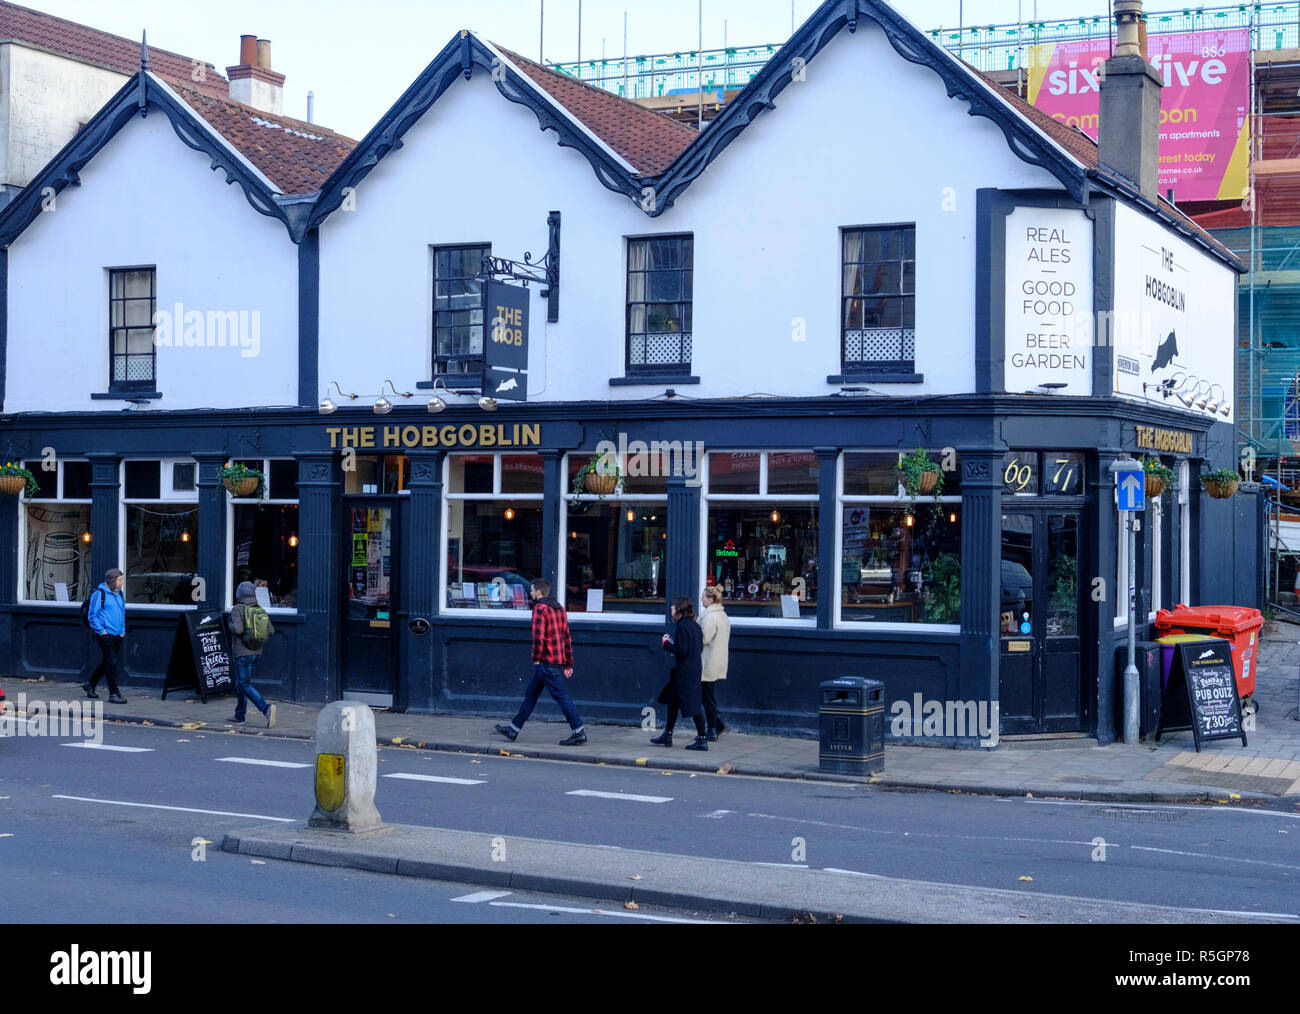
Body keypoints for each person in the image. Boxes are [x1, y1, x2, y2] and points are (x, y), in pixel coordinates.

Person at [496, 578, 587, 746]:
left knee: (562, 698)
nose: (530, 593)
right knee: (531, 693)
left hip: (545, 662)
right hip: (556, 661)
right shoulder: (559, 608)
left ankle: (578, 731)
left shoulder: (540, 608)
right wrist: (568, 663)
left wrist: (536, 658)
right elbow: (567, 637)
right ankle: (513, 729)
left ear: (539, 592)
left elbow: (539, 637)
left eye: (531, 590)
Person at [651, 596, 708, 751]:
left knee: (694, 706)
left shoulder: (682, 626)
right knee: (672, 700)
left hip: (686, 672)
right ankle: (667, 735)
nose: (671, 609)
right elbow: (697, 648)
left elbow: (681, 650)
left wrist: (666, 644)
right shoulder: (694, 625)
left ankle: (702, 740)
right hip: (691, 669)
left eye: (673, 607)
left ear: (678, 610)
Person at [228, 581, 277, 728]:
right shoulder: (260, 609)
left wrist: (229, 622)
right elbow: (271, 630)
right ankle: (239, 715)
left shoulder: (238, 609)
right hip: (256, 652)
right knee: (241, 684)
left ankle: (266, 708)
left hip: (242, 653)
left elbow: (237, 630)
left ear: (239, 594)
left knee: (244, 683)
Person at [83, 567, 128, 704]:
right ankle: (113, 693)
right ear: (112, 581)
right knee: (111, 662)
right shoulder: (100, 593)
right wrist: (101, 631)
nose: (122, 583)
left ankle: (90, 684)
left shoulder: (119, 594)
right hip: (105, 634)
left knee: (107, 662)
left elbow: (122, 613)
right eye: (120, 580)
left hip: (117, 634)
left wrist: (122, 631)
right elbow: (92, 615)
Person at [700, 585, 731, 740]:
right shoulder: (722, 615)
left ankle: (713, 728)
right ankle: (716, 724)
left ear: (711, 599)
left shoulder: (710, 617)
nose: (701, 599)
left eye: (704, 597)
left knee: (707, 697)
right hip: (717, 659)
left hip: (708, 661)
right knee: (708, 695)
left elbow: (704, 638)